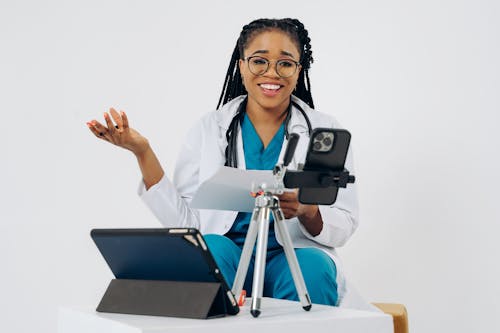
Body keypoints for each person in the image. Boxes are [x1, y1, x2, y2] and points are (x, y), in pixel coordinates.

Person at [87, 18, 359, 307]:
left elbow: (345, 221)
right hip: (229, 253)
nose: (272, 73)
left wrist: (308, 210)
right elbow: (187, 225)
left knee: (312, 270)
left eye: (286, 63)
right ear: (241, 65)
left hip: (294, 252)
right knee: (210, 251)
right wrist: (142, 152)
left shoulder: (325, 132)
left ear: (298, 70)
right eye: (259, 61)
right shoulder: (208, 129)